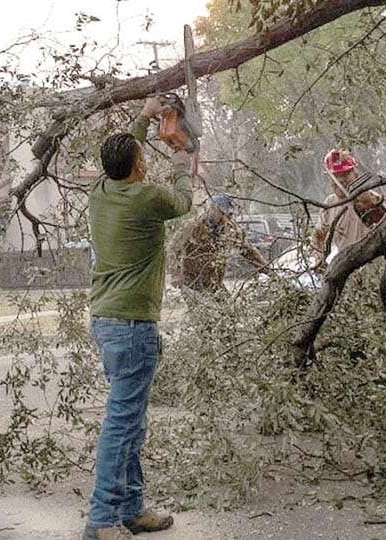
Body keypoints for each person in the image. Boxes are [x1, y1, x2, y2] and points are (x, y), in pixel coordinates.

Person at [84, 97, 193, 540]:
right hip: (131, 327)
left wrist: (146, 118)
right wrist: (185, 156)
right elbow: (184, 201)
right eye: (143, 156)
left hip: (106, 321)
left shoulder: (102, 192)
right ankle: (101, 520)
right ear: (138, 166)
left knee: (131, 420)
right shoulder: (147, 198)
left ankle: (132, 509)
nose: (146, 160)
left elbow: (126, 150)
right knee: (122, 422)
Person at [170, 193, 269, 293]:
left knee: (228, 306)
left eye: (229, 214)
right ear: (213, 209)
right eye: (222, 213)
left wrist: (268, 270)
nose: (226, 218)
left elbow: (248, 251)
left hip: (214, 281)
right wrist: (175, 274)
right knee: (200, 306)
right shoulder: (193, 226)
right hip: (191, 281)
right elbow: (173, 249)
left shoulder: (231, 229)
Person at [310, 149, 386, 270]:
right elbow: (317, 236)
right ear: (328, 178)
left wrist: (369, 205)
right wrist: (319, 261)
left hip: (375, 271)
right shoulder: (330, 204)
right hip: (347, 272)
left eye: (345, 175)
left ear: (355, 175)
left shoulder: (371, 198)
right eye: (336, 176)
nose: (341, 180)